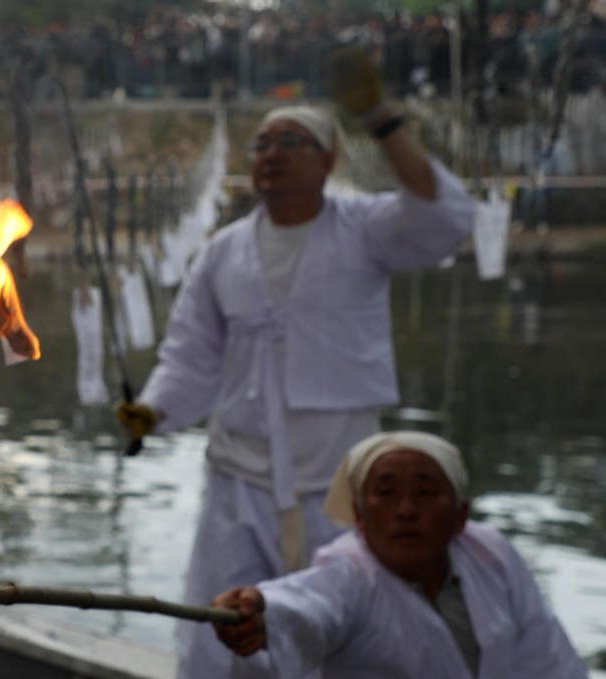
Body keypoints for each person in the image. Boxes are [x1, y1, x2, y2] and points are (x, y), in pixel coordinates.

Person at [115, 47, 476, 679]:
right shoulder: (223, 253)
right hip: (240, 475)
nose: (271, 154)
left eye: (291, 141)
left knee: (341, 625)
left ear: (329, 161)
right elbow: (190, 353)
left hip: (337, 473)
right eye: (260, 145)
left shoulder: (365, 227)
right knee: (218, 622)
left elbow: (442, 218)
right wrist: (152, 410)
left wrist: (384, 121)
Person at [211, 430, 588, 678]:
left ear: (460, 516)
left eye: (425, 493)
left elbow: (547, 657)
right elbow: (305, 605)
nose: (406, 510)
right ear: (359, 515)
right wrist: (261, 618)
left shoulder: (490, 553)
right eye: (386, 493)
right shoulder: (348, 573)